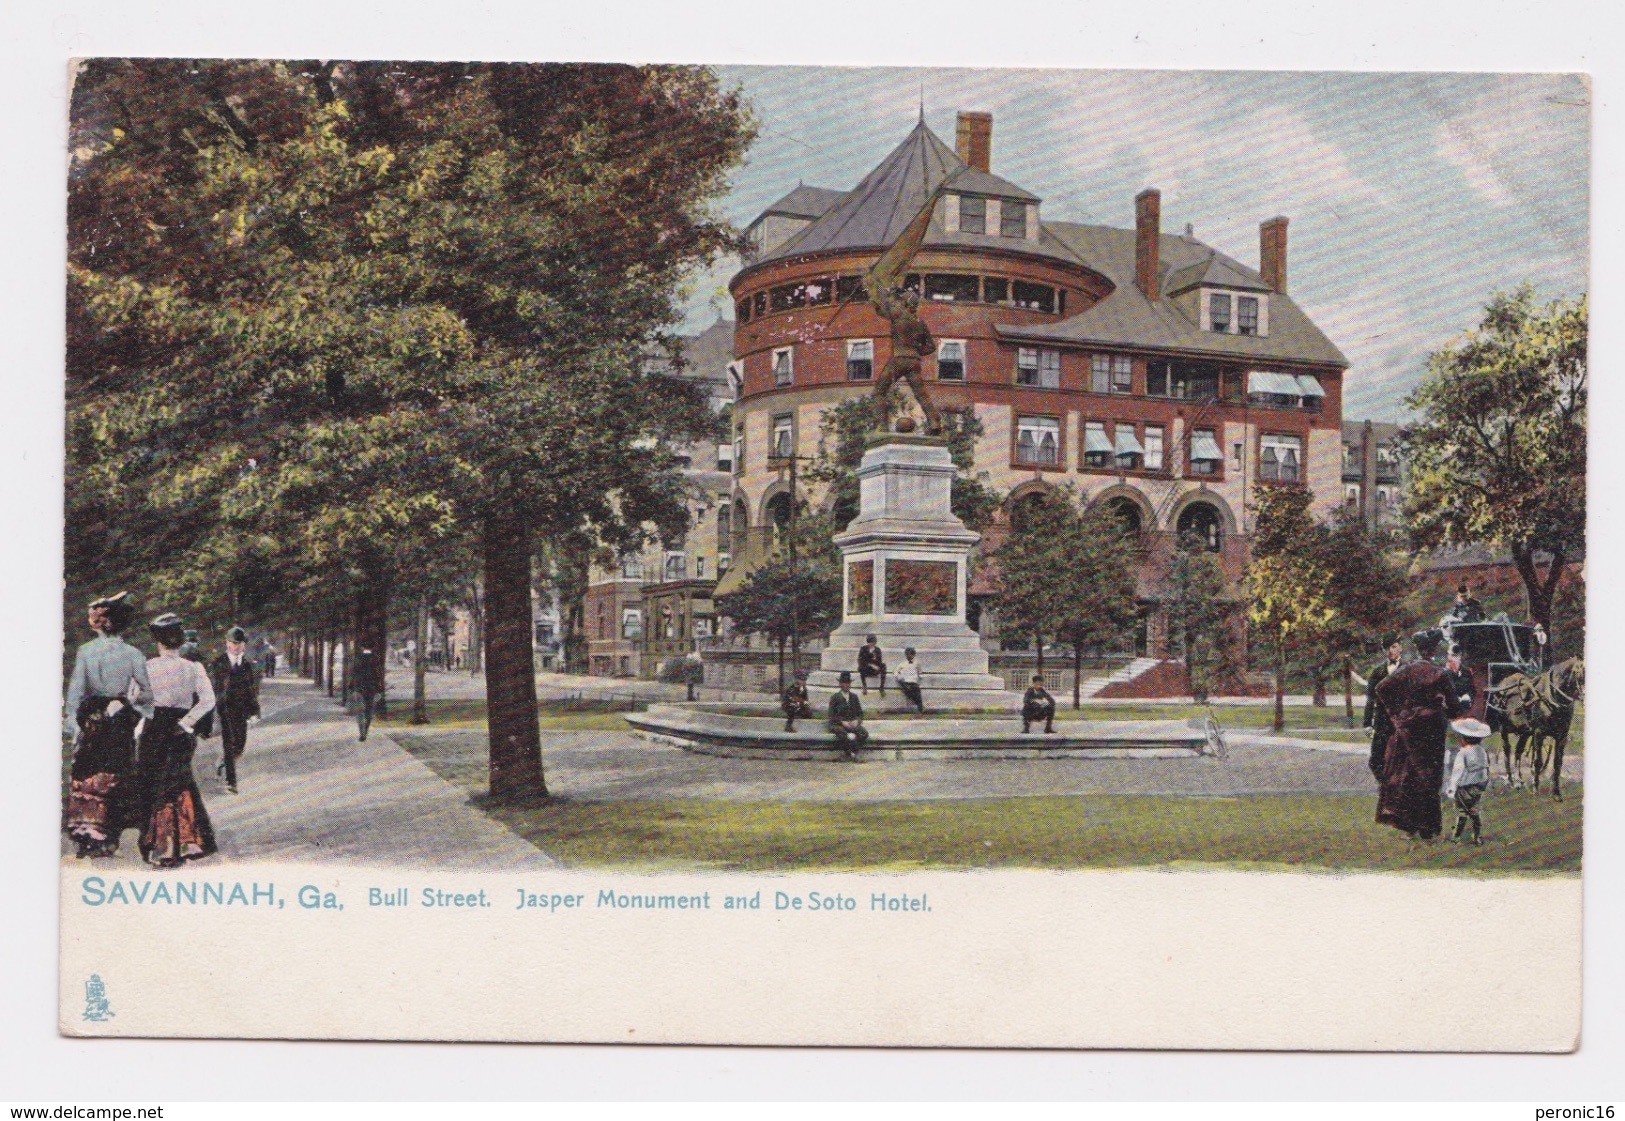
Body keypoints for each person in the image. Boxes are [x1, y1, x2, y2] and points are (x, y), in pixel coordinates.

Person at [63, 592, 153, 858]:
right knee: (117, 771)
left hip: (93, 719)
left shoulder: (86, 652)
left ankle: (90, 834)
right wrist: (129, 708)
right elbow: (146, 695)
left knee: (91, 772)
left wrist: (74, 722)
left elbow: (76, 692)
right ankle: (110, 834)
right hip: (119, 718)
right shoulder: (133, 654)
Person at [136, 613, 217, 868]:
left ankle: (159, 847)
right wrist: (186, 722)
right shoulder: (193, 668)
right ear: (180, 642)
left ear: (157, 642)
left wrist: (143, 722)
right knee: (179, 783)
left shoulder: (147, 668)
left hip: (154, 730)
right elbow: (208, 701)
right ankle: (184, 843)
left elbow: (135, 701)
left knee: (154, 785)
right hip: (180, 731)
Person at [1373, 628, 1466, 840]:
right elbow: (1454, 708)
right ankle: (1428, 827)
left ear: (1417, 649)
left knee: (1411, 773)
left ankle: (1409, 823)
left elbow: (1381, 688)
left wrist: (1397, 713)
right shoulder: (1440, 673)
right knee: (1431, 776)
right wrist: (1453, 707)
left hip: (1409, 726)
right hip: (1432, 726)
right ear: (1434, 650)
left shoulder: (1406, 669)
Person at [209, 625, 262, 794]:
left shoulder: (247, 665)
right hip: (225, 710)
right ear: (227, 644)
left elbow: (251, 692)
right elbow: (214, 689)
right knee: (229, 744)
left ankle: (222, 762)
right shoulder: (219, 663)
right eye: (234, 643)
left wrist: (255, 712)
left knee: (239, 745)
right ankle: (231, 782)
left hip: (242, 711)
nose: (238, 647)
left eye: (240, 644)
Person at [1362, 635, 1404, 781]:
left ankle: (1397, 789)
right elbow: (1370, 699)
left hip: (1402, 722)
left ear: (1400, 648)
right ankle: (1385, 785)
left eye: (1393, 647)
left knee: (1402, 758)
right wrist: (1367, 723)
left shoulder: (1408, 670)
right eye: (1387, 648)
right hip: (1382, 722)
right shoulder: (1377, 672)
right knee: (1375, 760)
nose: (1390, 651)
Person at [1445, 717, 1493, 845]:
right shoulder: (1482, 751)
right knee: (1474, 810)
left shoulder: (1463, 752)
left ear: (1464, 739)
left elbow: (1457, 772)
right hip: (1478, 787)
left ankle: (1456, 837)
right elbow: (1484, 770)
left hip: (1464, 788)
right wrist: (1483, 784)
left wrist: (1452, 788)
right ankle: (1477, 836)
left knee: (1462, 812)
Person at [827, 671, 868, 760]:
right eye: (843, 683)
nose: (846, 685)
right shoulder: (835, 697)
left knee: (863, 733)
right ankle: (848, 754)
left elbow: (860, 713)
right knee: (843, 734)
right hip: (838, 724)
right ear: (840, 684)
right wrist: (842, 722)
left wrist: (857, 720)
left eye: (847, 683)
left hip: (852, 723)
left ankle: (853, 752)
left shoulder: (854, 697)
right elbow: (831, 715)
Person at [352, 644, 384, 741]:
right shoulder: (375, 661)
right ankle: (365, 731)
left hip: (360, 690)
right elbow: (379, 677)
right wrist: (379, 690)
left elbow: (354, 675)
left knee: (360, 713)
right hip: (371, 690)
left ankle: (362, 733)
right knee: (368, 712)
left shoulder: (358, 661)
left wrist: (353, 688)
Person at [896, 648, 924, 713]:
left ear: (913, 655)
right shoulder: (902, 664)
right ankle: (915, 702)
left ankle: (921, 710)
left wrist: (919, 680)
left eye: (910, 655)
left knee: (917, 693)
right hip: (905, 682)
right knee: (907, 688)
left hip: (913, 682)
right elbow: (896, 672)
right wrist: (900, 677)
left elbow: (920, 672)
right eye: (907, 655)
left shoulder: (917, 663)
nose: (908, 656)